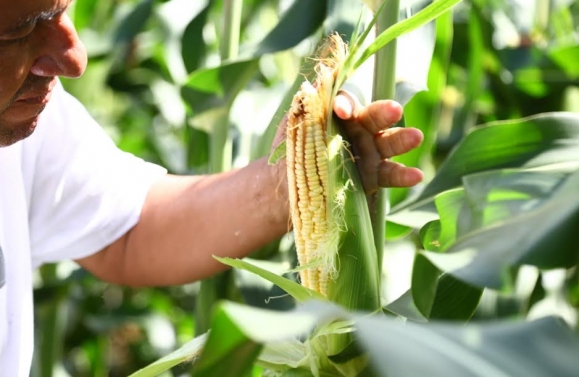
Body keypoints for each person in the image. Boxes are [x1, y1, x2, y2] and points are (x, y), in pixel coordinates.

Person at [0, 0, 424, 375]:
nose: (75, 58)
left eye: (63, 10)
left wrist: (287, 182)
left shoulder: (25, 134)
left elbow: (126, 232)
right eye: (21, 30)